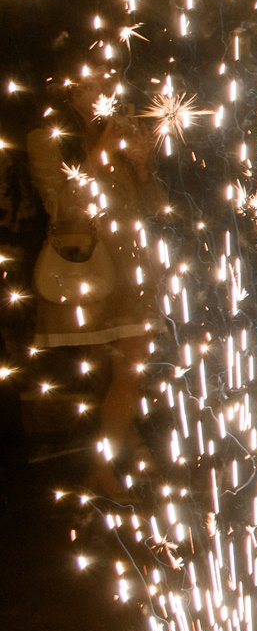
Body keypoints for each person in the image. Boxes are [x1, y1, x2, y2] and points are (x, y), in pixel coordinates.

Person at [26, 102, 162, 489]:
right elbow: (62, 206)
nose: (102, 88)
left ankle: (104, 468)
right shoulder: (47, 139)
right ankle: (129, 455)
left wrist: (141, 166)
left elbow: (154, 206)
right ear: (68, 87)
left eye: (109, 77)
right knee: (105, 375)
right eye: (91, 81)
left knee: (130, 369)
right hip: (89, 269)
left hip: (134, 271)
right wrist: (102, 151)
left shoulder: (123, 133)